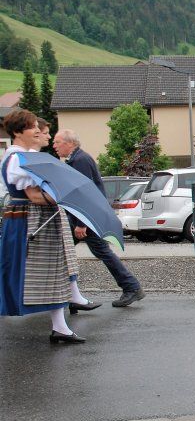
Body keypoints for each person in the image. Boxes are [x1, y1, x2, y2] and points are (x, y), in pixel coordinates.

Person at [0, 110, 88, 343]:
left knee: (52, 272)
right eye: (32, 127)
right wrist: (60, 197)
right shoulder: (19, 159)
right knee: (35, 272)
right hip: (29, 219)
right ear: (19, 132)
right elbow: (34, 196)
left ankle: (60, 327)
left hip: (32, 218)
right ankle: (60, 327)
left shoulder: (25, 156)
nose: (38, 131)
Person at [52, 129, 145, 310]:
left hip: (85, 218)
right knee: (67, 253)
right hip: (83, 217)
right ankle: (72, 296)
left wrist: (80, 224)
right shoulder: (77, 159)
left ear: (70, 143)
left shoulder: (80, 160)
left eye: (57, 142)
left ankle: (131, 287)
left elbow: (84, 193)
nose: (54, 146)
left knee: (97, 252)